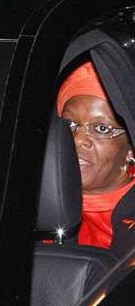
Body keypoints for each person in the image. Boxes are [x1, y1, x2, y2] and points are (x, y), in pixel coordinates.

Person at [57, 60, 135, 249]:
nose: (78, 140)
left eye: (101, 128)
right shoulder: (29, 204)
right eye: (69, 124)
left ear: (130, 148)